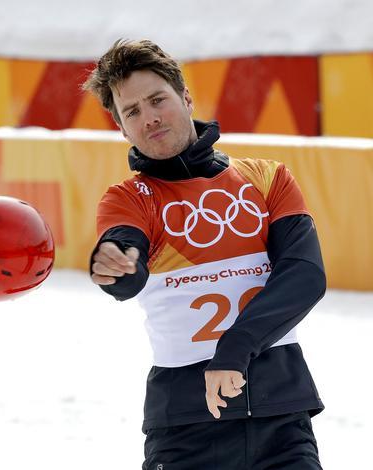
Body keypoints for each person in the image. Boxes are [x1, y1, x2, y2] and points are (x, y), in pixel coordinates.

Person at [83, 39, 325, 469]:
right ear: (122, 128)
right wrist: (116, 264)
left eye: (157, 100)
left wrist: (235, 349)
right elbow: (126, 252)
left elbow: (304, 275)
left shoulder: (268, 179)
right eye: (132, 112)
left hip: (282, 420)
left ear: (186, 97)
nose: (149, 118)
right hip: (185, 429)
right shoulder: (129, 198)